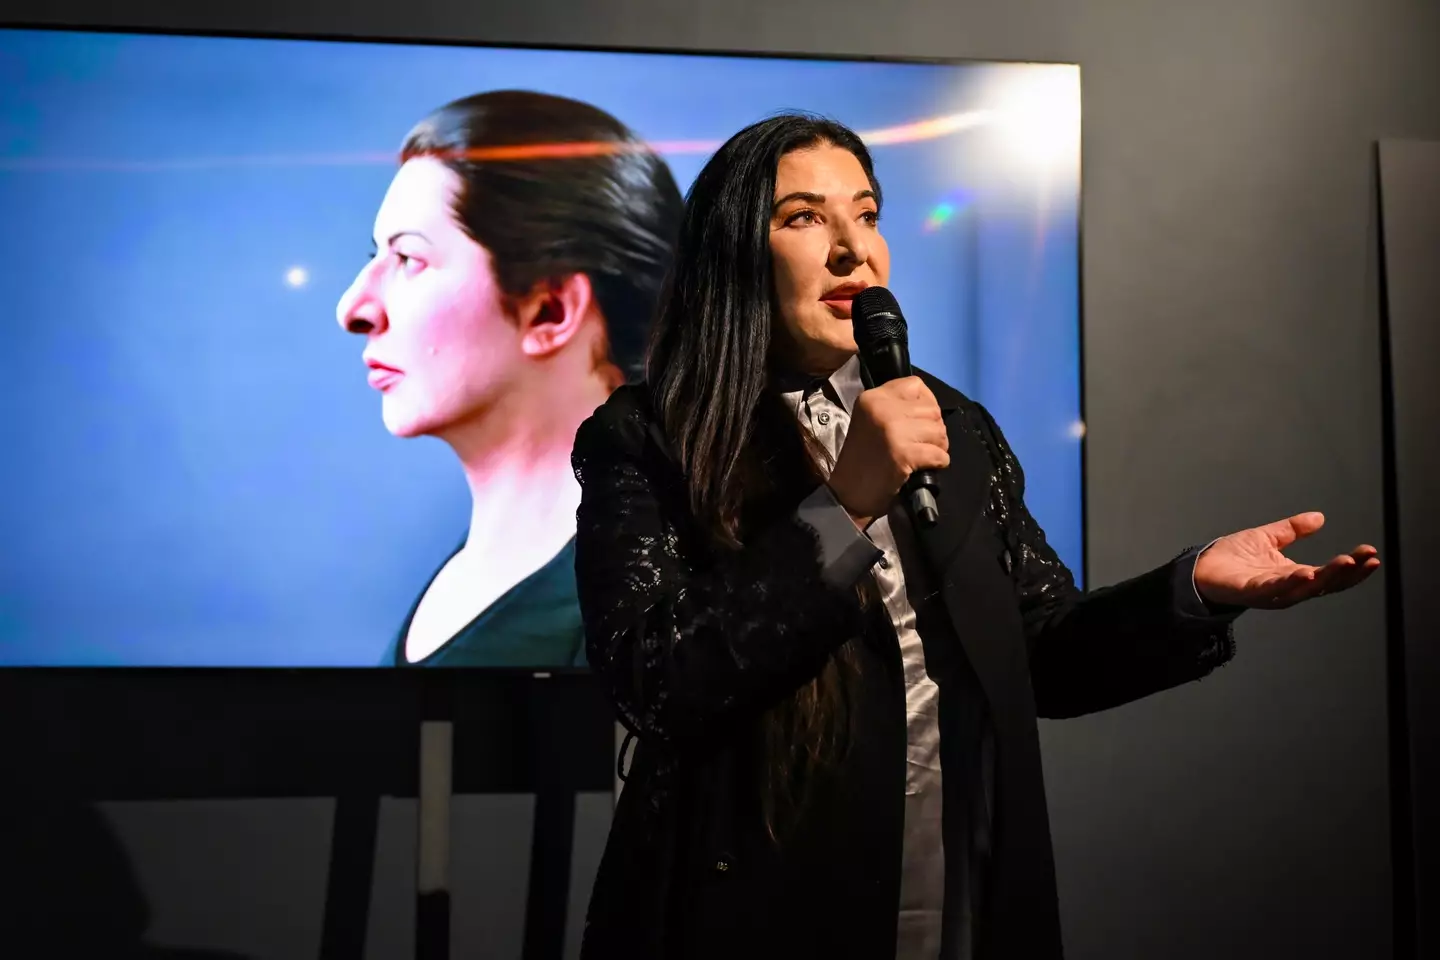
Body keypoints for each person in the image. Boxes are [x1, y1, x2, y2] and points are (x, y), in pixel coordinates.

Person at [569, 114, 1380, 959]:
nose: (854, 250)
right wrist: (844, 506)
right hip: (766, 909)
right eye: (804, 217)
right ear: (731, 249)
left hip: (962, 887)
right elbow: (654, 680)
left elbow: (1042, 650)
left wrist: (1194, 589)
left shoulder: (954, 425)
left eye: (867, 214)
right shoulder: (650, 436)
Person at [336, 90, 683, 667]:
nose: (354, 308)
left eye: (410, 259)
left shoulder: (639, 605)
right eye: (377, 256)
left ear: (550, 311)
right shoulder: (510, 567)